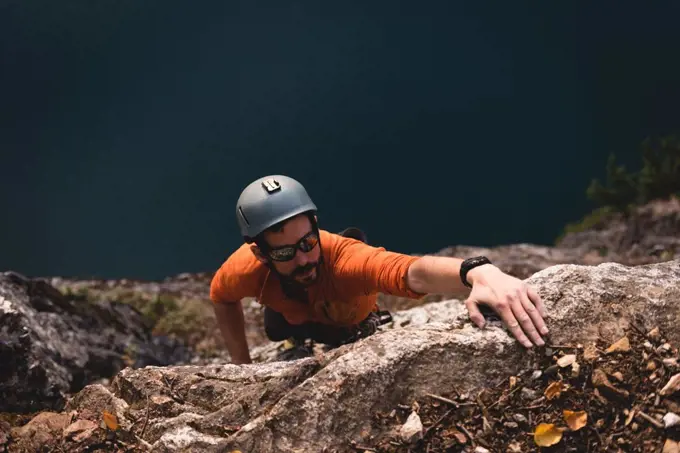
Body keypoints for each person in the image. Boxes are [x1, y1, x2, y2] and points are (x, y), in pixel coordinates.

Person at [210, 175, 549, 364]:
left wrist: (477, 272)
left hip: (344, 317)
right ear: (260, 252)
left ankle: (362, 320)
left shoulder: (345, 261)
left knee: (344, 330)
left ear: (316, 227)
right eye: (285, 252)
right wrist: (242, 365)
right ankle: (300, 329)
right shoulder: (246, 268)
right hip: (295, 313)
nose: (304, 260)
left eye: (308, 243)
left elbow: (410, 271)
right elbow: (221, 297)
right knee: (277, 327)